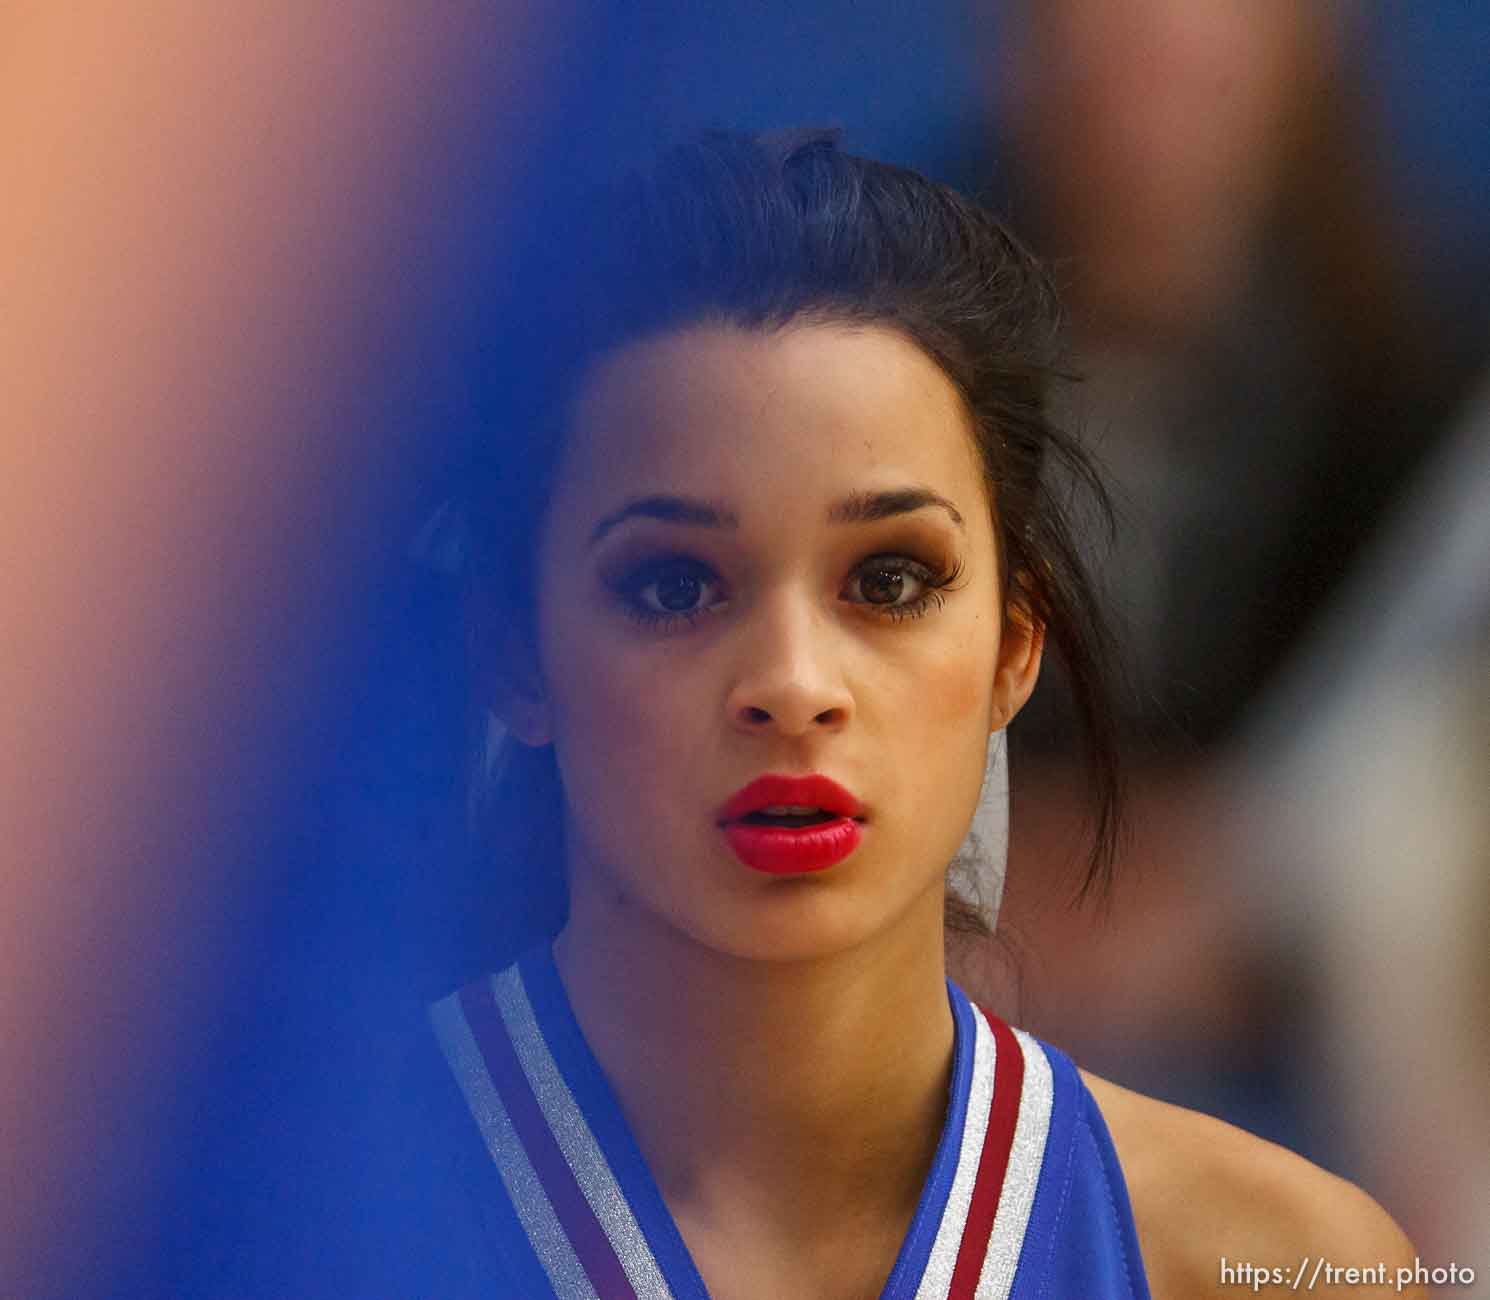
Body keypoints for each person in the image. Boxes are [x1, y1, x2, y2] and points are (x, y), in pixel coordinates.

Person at [411, 129, 1422, 1299]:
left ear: (1013, 641)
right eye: (674, 584)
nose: (793, 683)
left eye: (888, 581)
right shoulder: (253, 1227)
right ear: (512, 650)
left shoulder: (1281, 1263)